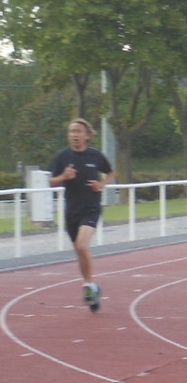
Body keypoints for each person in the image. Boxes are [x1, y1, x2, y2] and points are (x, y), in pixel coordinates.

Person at [50, 118, 115, 312]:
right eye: (71, 132)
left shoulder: (95, 156)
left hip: (91, 207)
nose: (74, 135)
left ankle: (88, 285)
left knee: (82, 244)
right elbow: (52, 181)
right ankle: (92, 286)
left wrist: (102, 184)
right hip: (72, 211)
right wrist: (64, 177)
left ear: (87, 135)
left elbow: (111, 173)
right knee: (79, 251)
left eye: (78, 131)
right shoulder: (62, 157)